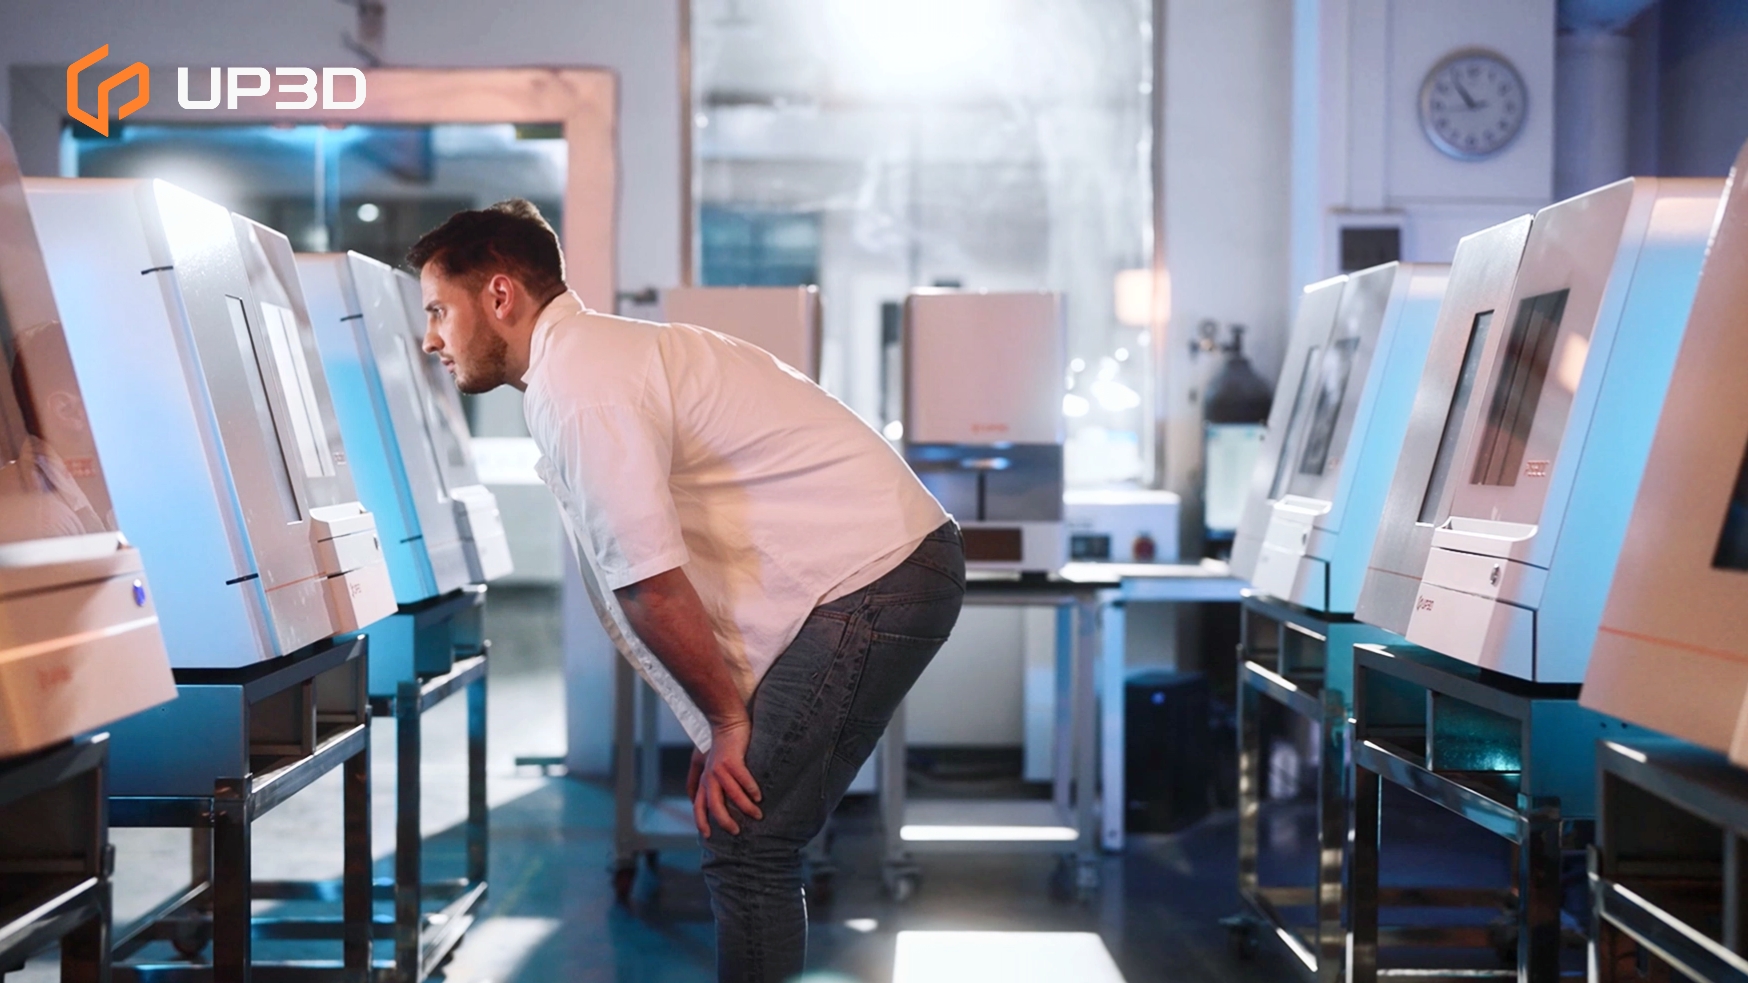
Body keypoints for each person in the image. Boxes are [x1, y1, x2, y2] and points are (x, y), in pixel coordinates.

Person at [408, 199, 964, 982]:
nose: (431, 337)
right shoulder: (594, 360)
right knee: (750, 828)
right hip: (877, 568)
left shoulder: (584, 384)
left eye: (438, 310)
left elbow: (649, 581)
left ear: (500, 295)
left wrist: (728, 720)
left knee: (750, 837)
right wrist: (721, 726)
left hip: (879, 574)